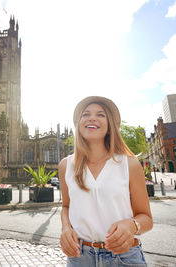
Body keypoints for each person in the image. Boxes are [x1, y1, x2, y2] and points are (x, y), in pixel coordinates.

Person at [59, 96, 153, 266]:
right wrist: (66, 228)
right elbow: (66, 206)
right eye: (85, 114)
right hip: (79, 257)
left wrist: (131, 226)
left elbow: (146, 218)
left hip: (123, 257)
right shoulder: (66, 165)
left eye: (100, 115)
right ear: (79, 124)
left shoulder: (129, 164)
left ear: (110, 126)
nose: (92, 117)